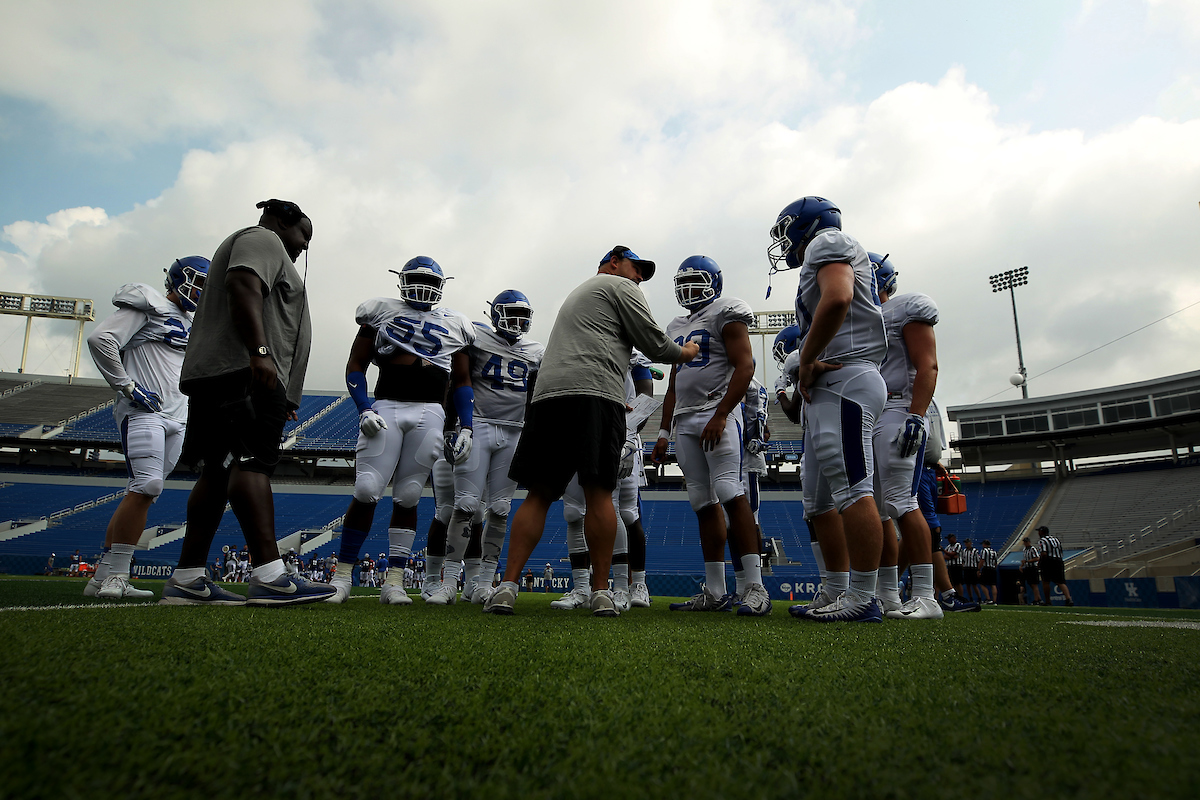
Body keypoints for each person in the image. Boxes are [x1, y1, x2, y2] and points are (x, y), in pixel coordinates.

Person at [484, 245, 699, 616]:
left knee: (538, 495)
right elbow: (654, 344)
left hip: (550, 396)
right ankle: (601, 591)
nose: (639, 277)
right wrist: (686, 352)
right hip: (595, 394)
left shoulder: (580, 294)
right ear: (614, 262)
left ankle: (506, 586)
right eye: (637, 268)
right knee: (600, 494)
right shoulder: (620, 287)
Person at [159, 199, 333, 606]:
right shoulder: (263, 238)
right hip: (245, 373)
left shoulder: (260, 243)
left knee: (216, 474)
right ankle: (271, 575)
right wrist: (259, 351)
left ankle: (187, 577)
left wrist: (286, 392)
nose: (303, 246)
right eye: (302, 235)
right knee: (252, 465)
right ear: (282, 220)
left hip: (222, 374)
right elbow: (242, 282)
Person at [325, 256, 475, 605]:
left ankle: (394, 581)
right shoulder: (380, 312)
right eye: (416, 278)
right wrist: (363, 407)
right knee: (366, 489)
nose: (422, 285)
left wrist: (466, 425)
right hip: (388, 405)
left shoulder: (457, 323)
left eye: (429, 279)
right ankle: (343, 576)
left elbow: (463, 381)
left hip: (431, 411)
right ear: (402, 280)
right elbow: (356, 365)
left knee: (408, 495)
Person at [768, 197, 887, 623]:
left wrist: (808, 359)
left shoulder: (827, 242)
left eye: (786, 230)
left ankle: (864, 596)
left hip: (845, 378)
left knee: (854, 488)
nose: (784, 243)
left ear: (807, 225)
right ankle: (835, 589)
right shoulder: (823, 251)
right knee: (818, 500)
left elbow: (837, 298)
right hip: (834, 383)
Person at [84, 257, 209, 600]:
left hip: (178, 415)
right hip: (144, 411)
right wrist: (125, 385)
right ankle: (118, 576)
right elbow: (101, 339)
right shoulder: (148, 303)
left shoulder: (195, 321)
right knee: (147, 483)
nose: (200, 291)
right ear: (177, 280)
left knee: (144, 492)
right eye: (196, 282)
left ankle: (102, 575)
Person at [654, 255, 771, 617]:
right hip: (686, 419)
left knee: (729, 492)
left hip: (716, 411)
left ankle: (755, 587)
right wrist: (662, 430)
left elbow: (745, 365)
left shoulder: (726, 310)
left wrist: (721, 413)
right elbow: (673, 383)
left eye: (696, 280)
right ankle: (716, 590)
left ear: (715, 282)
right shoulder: (675, 324)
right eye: (683, 282)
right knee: (701, 501)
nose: (688, 289)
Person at [434, 289, 544, 605]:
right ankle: (449, 581)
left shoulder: (537, 351)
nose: (518, 321)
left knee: (500, 509)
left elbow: (536, 396)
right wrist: (457, 426)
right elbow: (459, 380)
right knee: (466, 505)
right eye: (512, 314)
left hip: (515, 431)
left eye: (524, 316)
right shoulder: (475, 338)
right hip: (479, 425)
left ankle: (484, 582)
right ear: (494, 315)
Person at [865, 252, 944, 621]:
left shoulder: (904, 308)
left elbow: (927, 364)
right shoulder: (858, 320)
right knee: (879, 509)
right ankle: (888, 596)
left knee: (901, 501)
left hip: (899, 408)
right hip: (873, 413)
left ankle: (927, 595)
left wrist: (916, 414)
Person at [1036, 525, 1074, 606]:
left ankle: (1048, 601)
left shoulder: (1042, 540)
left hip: (1048, 561)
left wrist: (1040, 563)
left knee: (1046, 581)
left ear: (1042, 532)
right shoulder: (1055, 539)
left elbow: (1043, 553)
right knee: (1060, 581)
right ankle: (1068, 599)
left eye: (1039, 531)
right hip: (1059, 560)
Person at [1020, 536, 1043, 604]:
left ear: (1029, 542)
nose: (1025, 543)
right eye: (1024, 542)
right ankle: (1038, 599)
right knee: (1031, 584)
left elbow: (1037, 558)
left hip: (1033, 567)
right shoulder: (1024, 549)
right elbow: (1025, 560)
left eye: (1026, 542)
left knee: (1034, 584)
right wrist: (1022, 566)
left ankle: (1036, 599)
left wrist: (1028, 561)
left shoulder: (1033, 549)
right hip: (1028, 568)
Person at [979, 539, 999, 604]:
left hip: (986, 568)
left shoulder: (984, 551)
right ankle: (994, 600)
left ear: (984, 544)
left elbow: (982, 560)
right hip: (993, 569)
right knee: (993, 585)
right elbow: (996, 563)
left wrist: (978, 569)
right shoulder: (994, 552)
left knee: (982, 584)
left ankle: (988, 598)